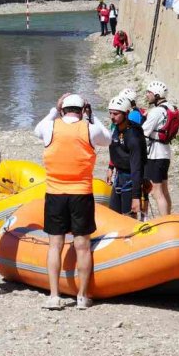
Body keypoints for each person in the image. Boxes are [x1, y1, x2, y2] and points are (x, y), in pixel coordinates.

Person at [34, 93, 111, 310]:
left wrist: (53, 110)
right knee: (83, 246)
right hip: (81, 193)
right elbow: (108, 138)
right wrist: (93, 116)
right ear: (82, 109)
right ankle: (82, 297)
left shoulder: (51, 127)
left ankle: (54, 296)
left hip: (55, 193)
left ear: (63, 109)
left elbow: (37, 129)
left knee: (55, 245)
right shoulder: (90, 128)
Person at [105, 95, 147, 219]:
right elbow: (115, 148)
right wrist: (110, 167)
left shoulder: (134, 136)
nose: (112, 117)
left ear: (126, 113)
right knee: (113, 214)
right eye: (110, 113)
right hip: (119, 175)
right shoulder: (117, 128)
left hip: (131, 178)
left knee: (128, 217)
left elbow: (137, 168)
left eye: (116, 114)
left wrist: (136, 197)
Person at [142, 80, 176, 216]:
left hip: (155, 155)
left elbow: (143, 132)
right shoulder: (171, 108)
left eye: (149, 92)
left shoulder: (156, 111)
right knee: (164, 189)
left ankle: (165, 221)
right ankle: (168, 218)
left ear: (156, 94)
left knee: (156, 191)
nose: (147, 95)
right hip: (165, 153)